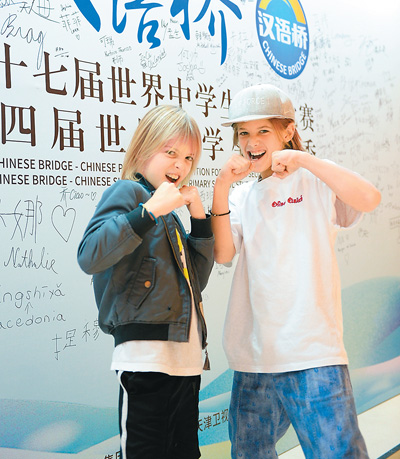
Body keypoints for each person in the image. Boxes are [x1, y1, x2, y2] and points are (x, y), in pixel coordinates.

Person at [211, 84, 381, 458]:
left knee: (336, 453)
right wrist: (222, 185)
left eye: (263, 130)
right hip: (254, 356)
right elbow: (223, 254)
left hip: (313, 352)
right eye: (244, 133)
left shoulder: (316, 181)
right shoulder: (241, 196)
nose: (251, 142)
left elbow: (370, 198)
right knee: (250, 452)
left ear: (288, 130)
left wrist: (304, 160)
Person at [77, 105, 214, 459]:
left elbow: (196, 281)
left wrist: (198, 218)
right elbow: (89, 255)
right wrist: (149, 211)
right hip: (146, 360)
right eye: (170, 152)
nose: (180, 165)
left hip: (186, 361)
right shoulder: (130, 193)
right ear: (142, 150)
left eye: (188, 157)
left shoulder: (168, 212)